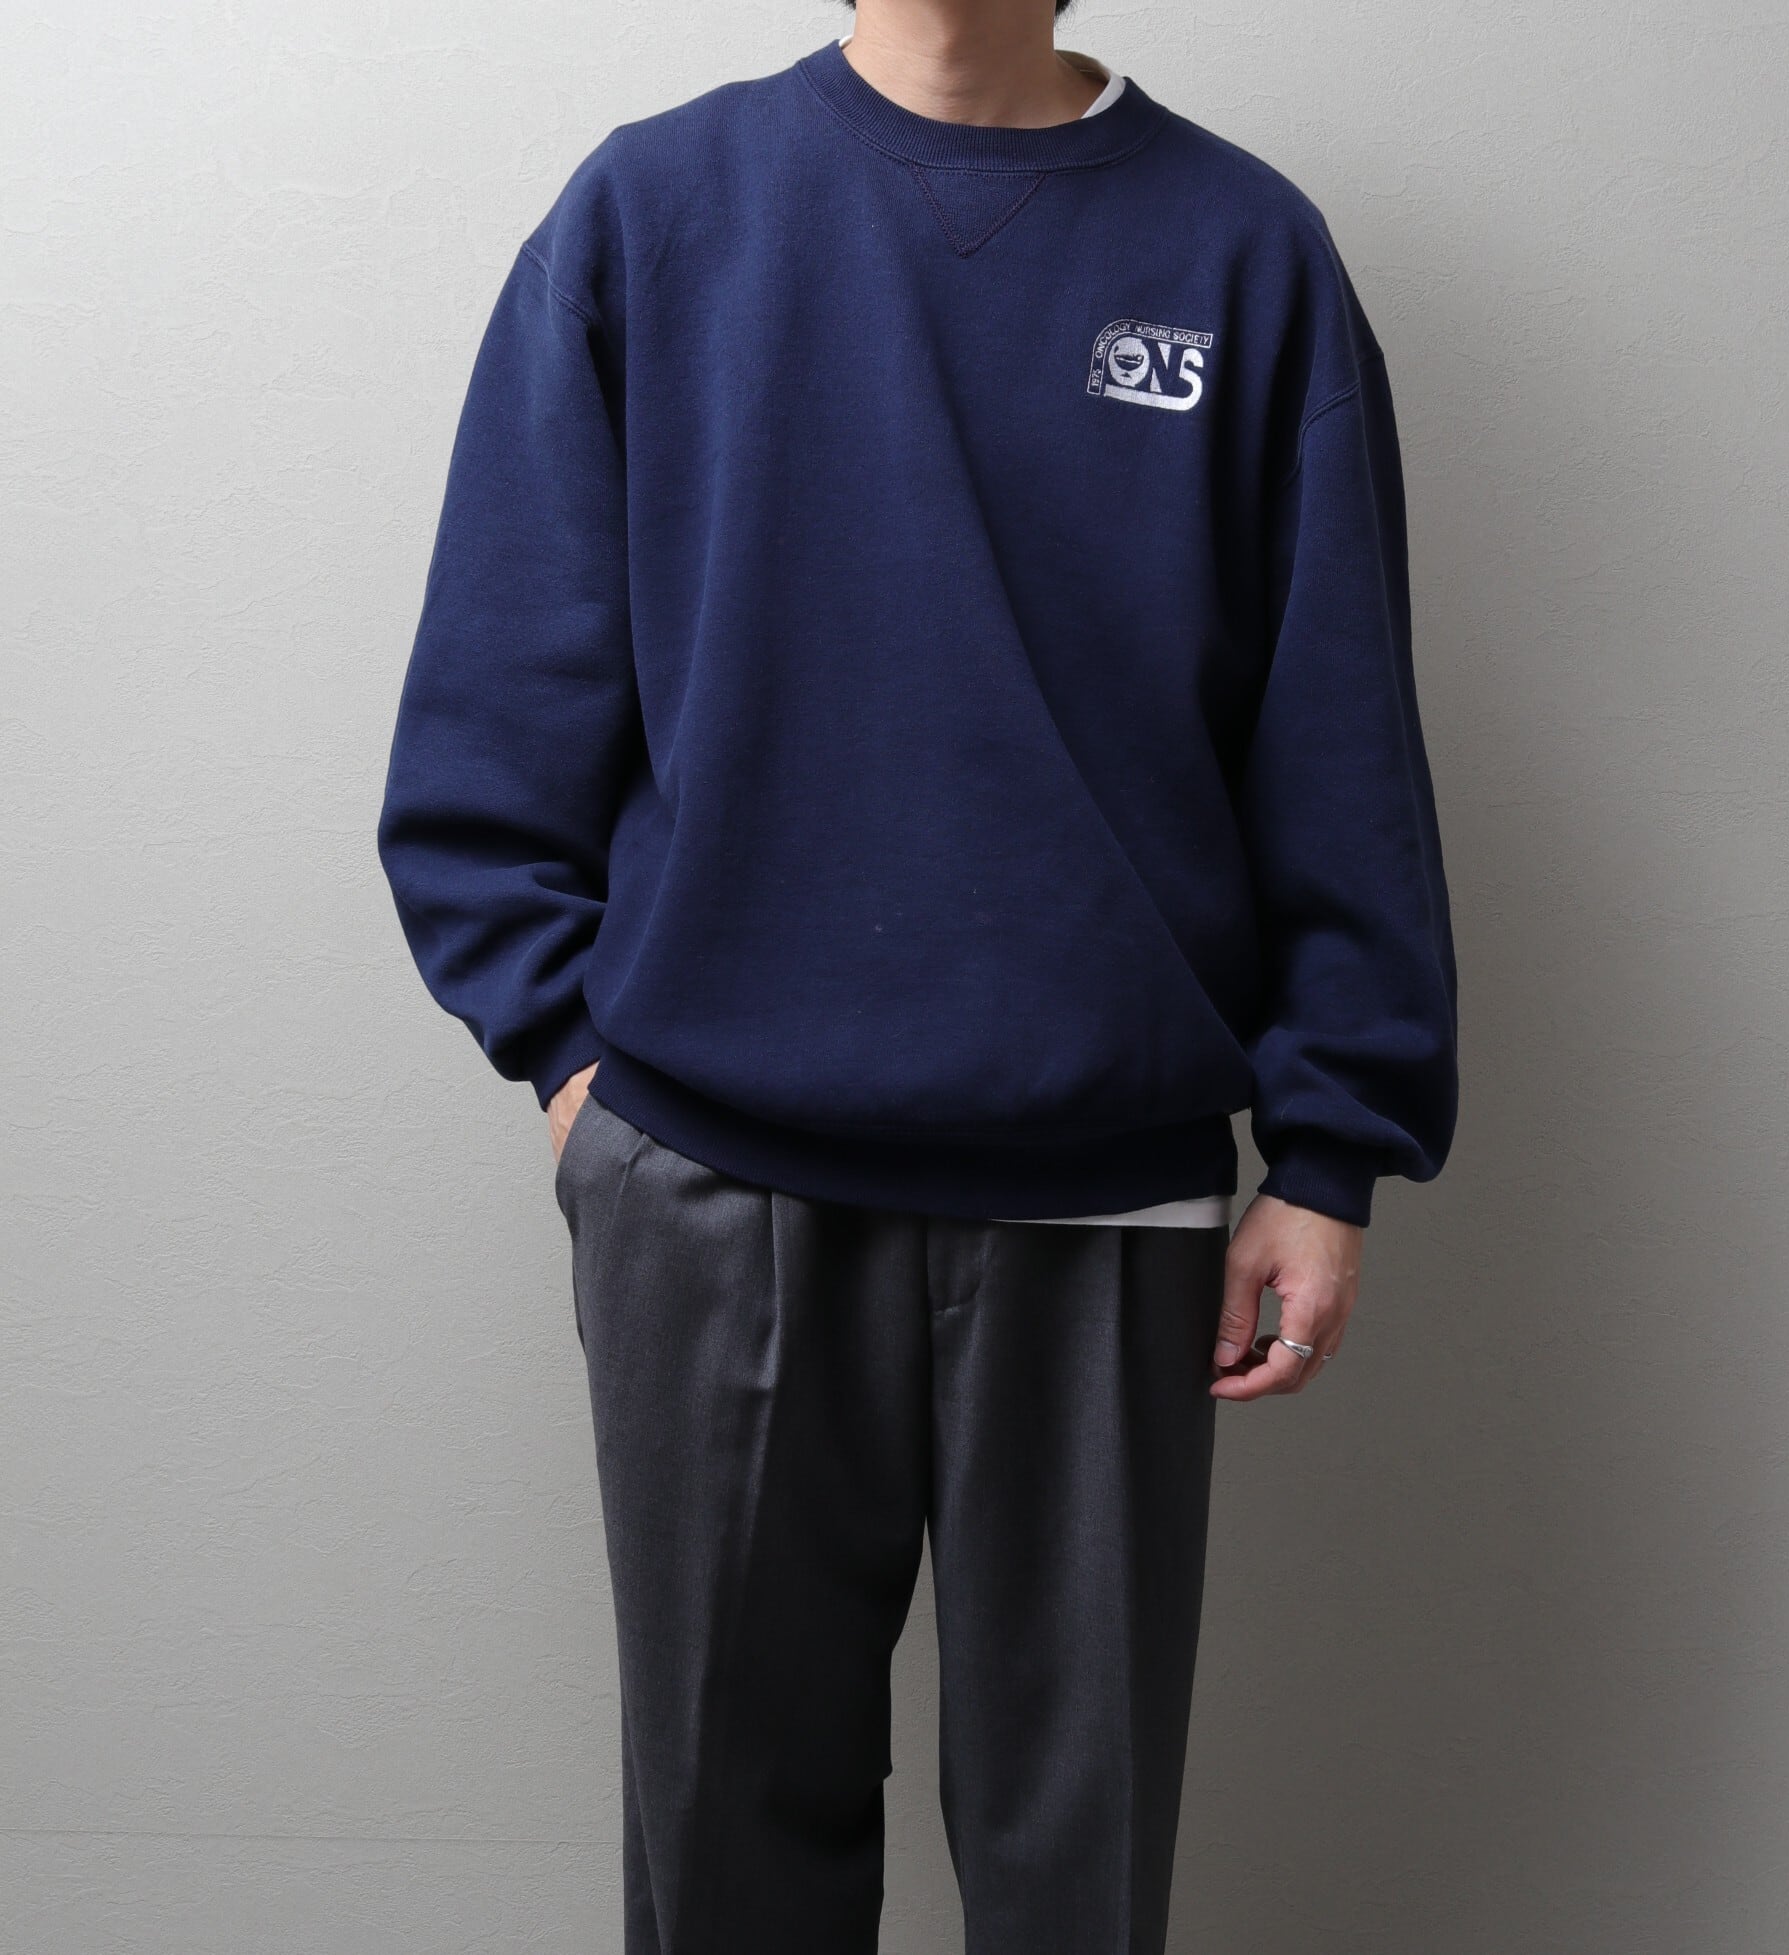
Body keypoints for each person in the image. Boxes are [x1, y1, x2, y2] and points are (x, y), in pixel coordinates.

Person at [376, 0, 1458, 1947]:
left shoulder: (1245, 251)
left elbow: (1336, 734)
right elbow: (496, 696)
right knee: (727, 1859)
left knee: (1075, 1870)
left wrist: (1330, 1150)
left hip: (1109, 1193)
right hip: (711, 1182)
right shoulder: (656, 213)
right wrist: (570, 1065)